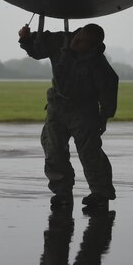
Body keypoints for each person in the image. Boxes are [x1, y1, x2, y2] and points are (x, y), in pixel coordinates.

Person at [19, 23, 118, 209]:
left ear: (92, 46)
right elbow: (37, 49)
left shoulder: (97, 62)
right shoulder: (59, 40)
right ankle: (62, 192)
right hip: (57, 105)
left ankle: (101, 192)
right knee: (53, 149)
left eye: (84, 43)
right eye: (78, 38)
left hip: (84, 110)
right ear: (78, 32)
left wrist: (103, 116)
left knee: (90, 153)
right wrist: (25, 38)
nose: (77, 43)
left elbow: (109, 87)